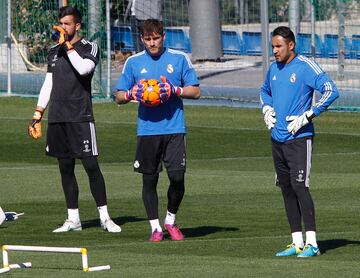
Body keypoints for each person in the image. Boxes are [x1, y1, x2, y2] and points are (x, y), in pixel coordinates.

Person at [28, 6, 121, 233]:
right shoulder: (53, 51)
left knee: (90, 165)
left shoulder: (90, 47)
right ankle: (73, 219)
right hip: (57, 118)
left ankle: (105, 217)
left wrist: (66, 45)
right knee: (65, 167)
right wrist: (37, 114)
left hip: (80, 116)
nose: (63, 27)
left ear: (77, 25)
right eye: (61, 23)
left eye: (67, 24)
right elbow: (48, 84)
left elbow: (83, 69)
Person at [114, 19, 200, 242]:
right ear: (142, 39)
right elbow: (119, 96)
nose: (152, 43)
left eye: (156, 38)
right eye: (148, 39)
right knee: (149, 180)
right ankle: (155, 227)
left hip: (174, 128)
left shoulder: (179, 59)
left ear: (164, 37)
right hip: (147, 130)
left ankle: (170, 220)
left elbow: (195, 91)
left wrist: (175, 89)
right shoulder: (133, 63)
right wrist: (132, 94)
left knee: (177, 178)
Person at [260, 26, 339, 257]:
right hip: (278, 139)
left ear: (291, 45)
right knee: (286, 189)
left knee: (300, 187)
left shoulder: (305, 66)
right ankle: (297, 242)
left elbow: (330, 91)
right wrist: (266, 108)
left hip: (299, 139)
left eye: (278, 46)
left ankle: (312, 244)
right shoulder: (274, 68)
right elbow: (264, 91)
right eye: (272, 46)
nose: (274, 51)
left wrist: (309, 115)